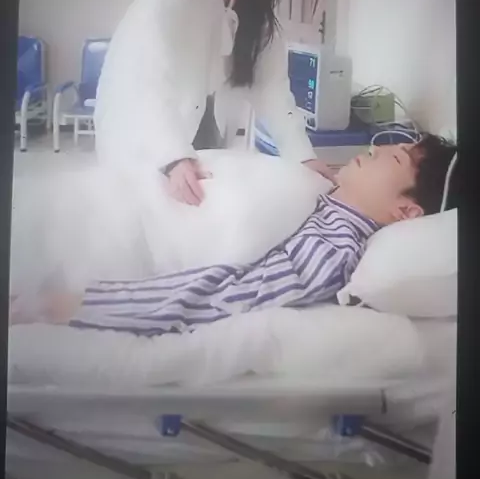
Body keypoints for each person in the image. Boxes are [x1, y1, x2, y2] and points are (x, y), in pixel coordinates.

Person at [12, 135, 458, 332]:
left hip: (108, 232)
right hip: (112, 198)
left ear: (406, 211)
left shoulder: (333, 247)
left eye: (395, 158)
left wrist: (75, 304)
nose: (378, 147)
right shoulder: (327, 199)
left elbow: (225, 296)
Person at [94, 0, 335, 207]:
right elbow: (145, 70)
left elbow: (272, 88)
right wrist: (172, 156)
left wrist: (302, 156)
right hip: (144, 130)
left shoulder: (253, 0)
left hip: (200, 127)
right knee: (141, 215)